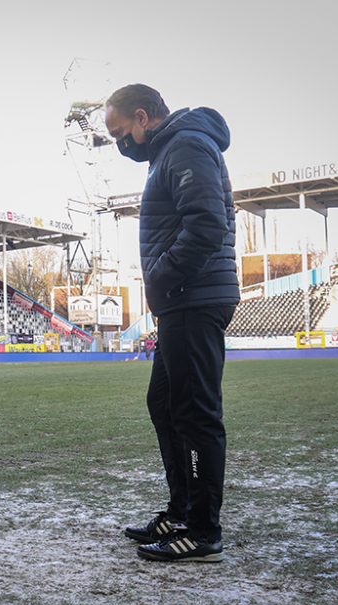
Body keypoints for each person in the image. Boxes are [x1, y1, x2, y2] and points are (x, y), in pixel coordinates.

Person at [104, 84, 240, 562]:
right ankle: (181, 510)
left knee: (195, 413)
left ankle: (203, 531)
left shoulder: (185, 144)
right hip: (183, 299)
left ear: (143, 118)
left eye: (121, 133)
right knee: (164, 403)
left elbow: (206, 224)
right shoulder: (170, 149)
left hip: (194, 298)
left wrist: (162, 276)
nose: (121, 144)